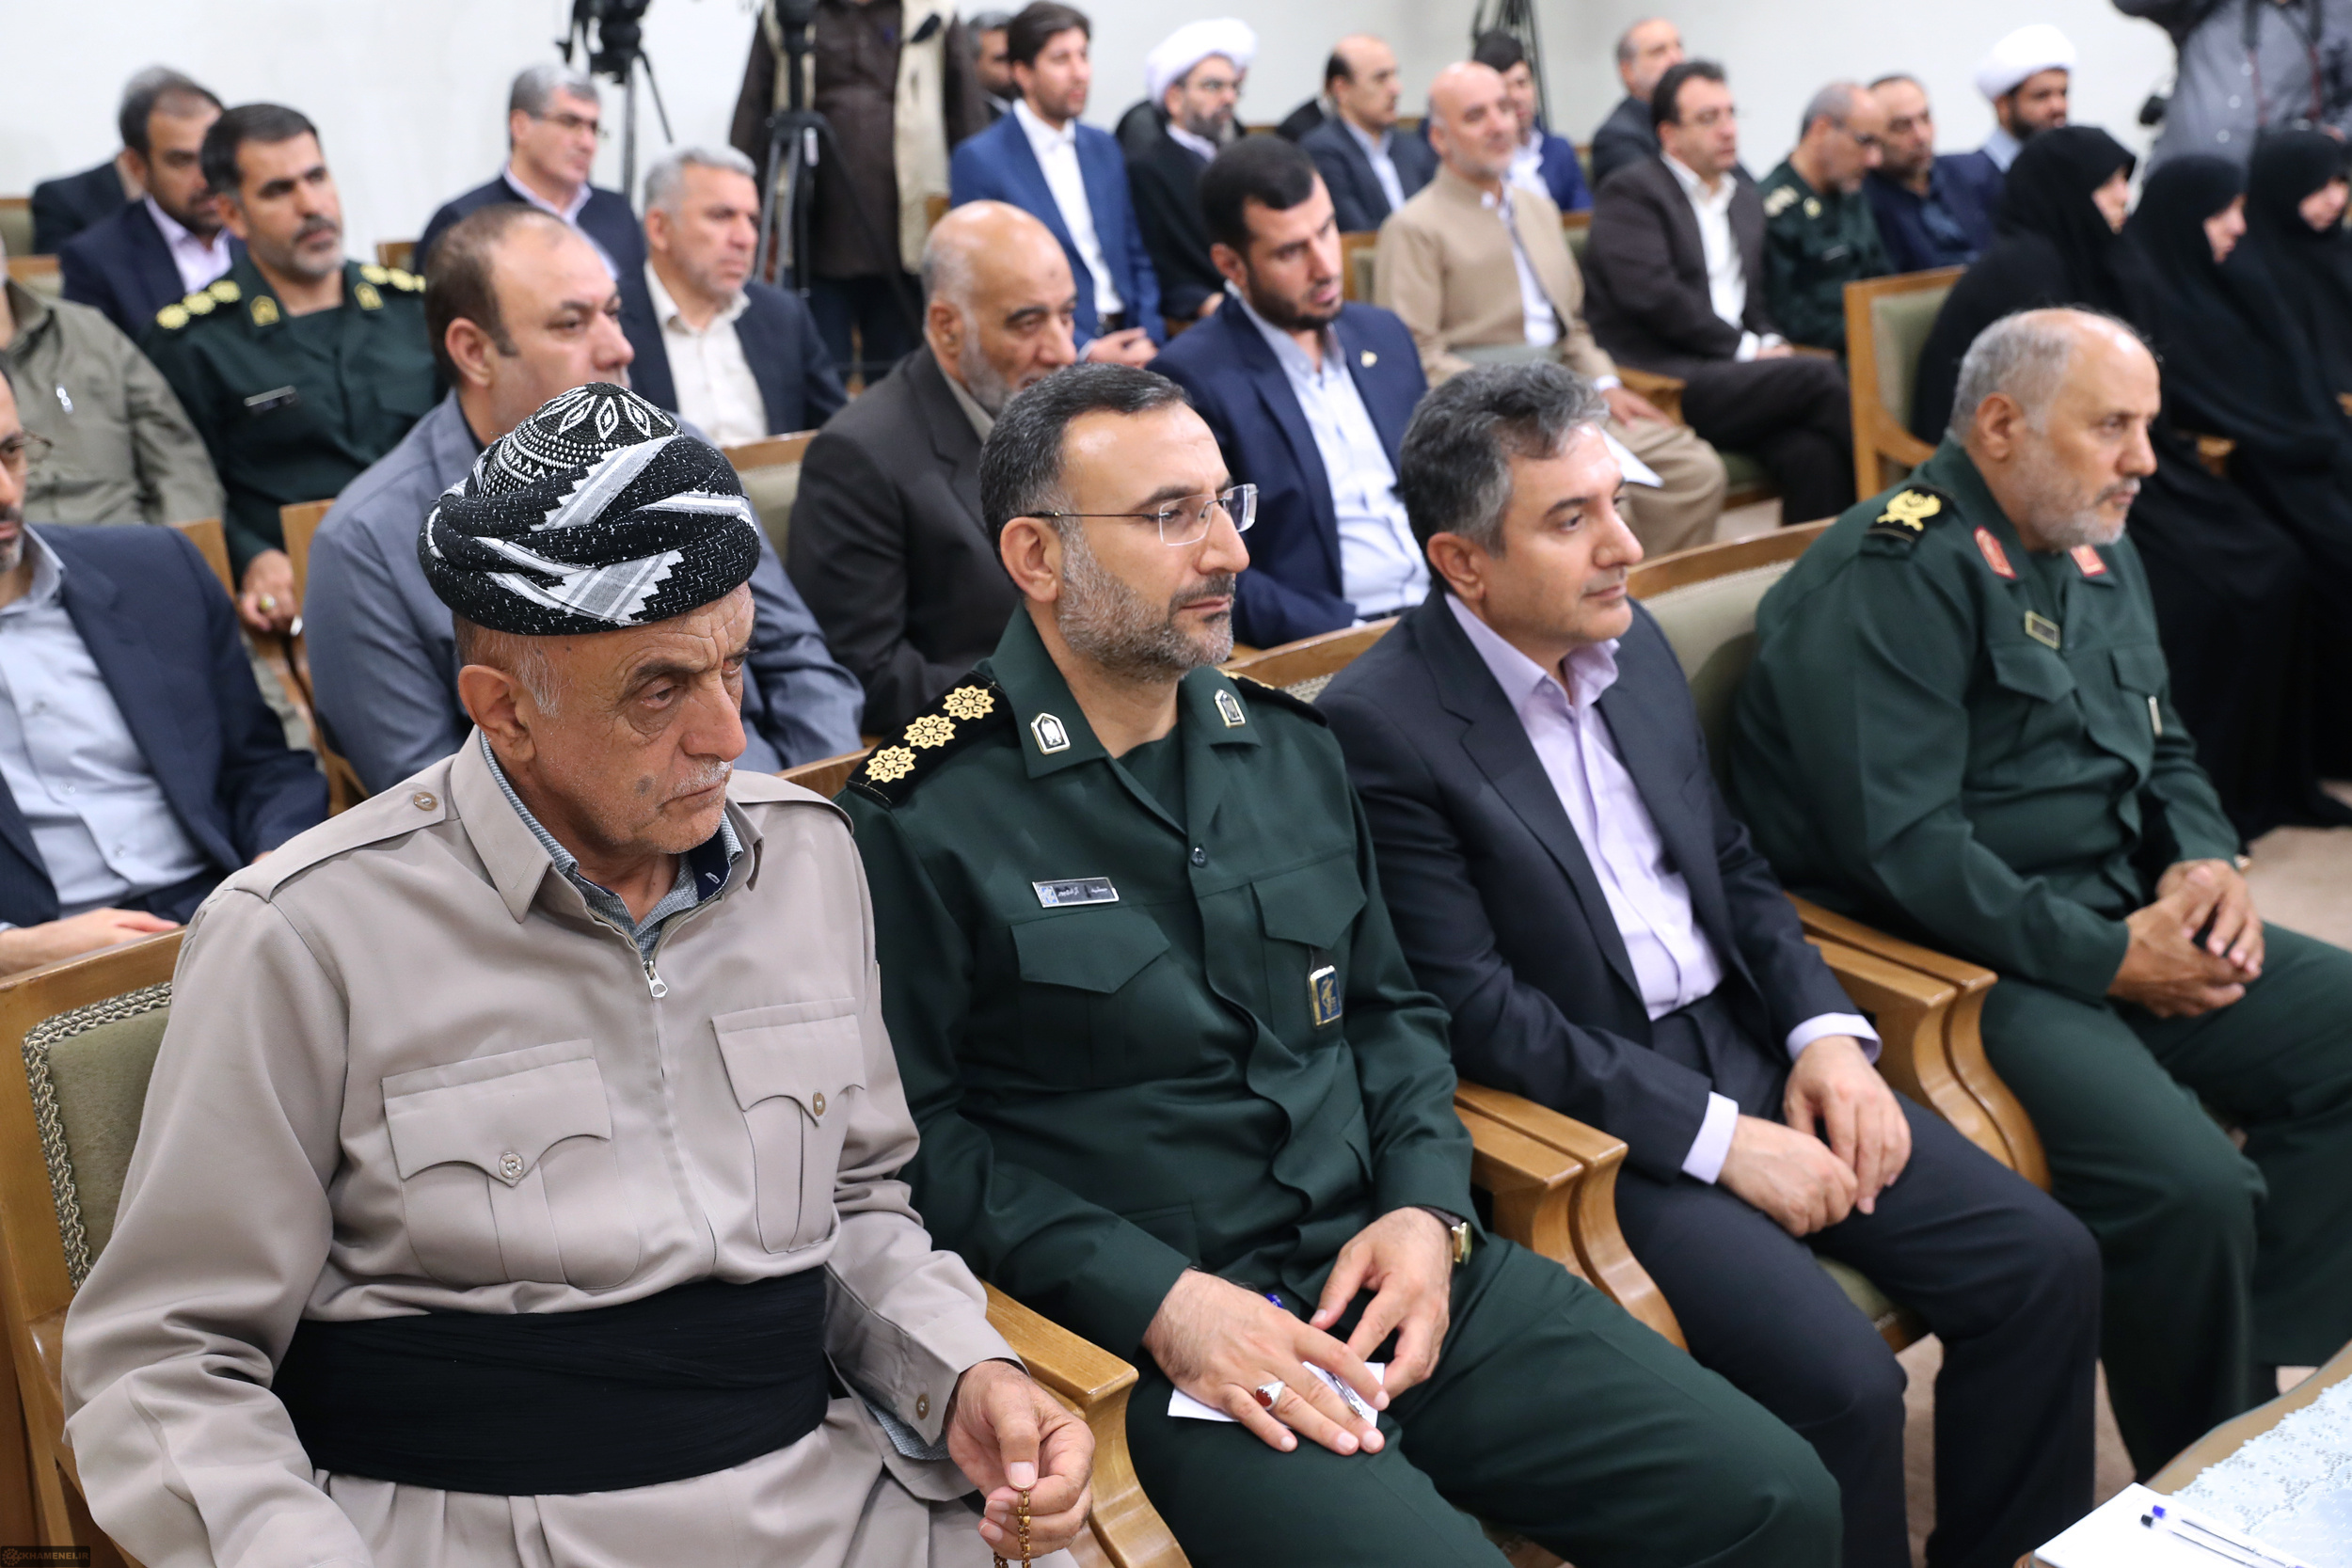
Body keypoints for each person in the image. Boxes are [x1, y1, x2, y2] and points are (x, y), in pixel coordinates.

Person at [63, 379, 1095, 1568]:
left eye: (734, 665)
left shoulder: (809, 857)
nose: (726, 734)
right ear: (504, 710)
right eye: (660, 688)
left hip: (838, 1496)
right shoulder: (303, 935)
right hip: (485, 1526)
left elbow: (857, 1206)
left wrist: (960, 1371)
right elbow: (165, 1358)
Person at [843, 359, 1844, 1567]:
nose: (1228, 551)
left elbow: (1392, 1014)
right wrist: (1159, 1299)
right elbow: (921, 1144)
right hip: (1176, 1338)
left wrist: (1426, 1208)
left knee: (1778, 1498)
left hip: (1389, 1263)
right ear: (1036, 556)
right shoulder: (924, 811)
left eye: (1226, 504)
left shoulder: (1288, 748)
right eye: (1170, 515)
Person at [1321, 361, 2100, 1568]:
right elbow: (1477, 1009)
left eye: (1616, 503)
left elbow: (1729, 864)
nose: (1624, 546)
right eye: (1571, 519)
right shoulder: (1383, 723)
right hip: (1599, 1120)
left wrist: (1824, 1034)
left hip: (1747, 1040)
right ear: (1462, 561)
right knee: (1844, 1387)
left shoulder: (1625, 643)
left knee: (2044, 1264)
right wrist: (1722, 1139)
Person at [1731, 307, 2352, 1478]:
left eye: (2147, 427)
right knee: (2189, 1186)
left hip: (2117, 910)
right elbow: (1907, 851)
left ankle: (2244, 1358)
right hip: (1966, 963)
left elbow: (2166, 745)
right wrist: (2112, 958)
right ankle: (2207, 1477)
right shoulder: (1892, 571)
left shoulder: (2092, 541)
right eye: (2112, 426)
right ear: (2001, 425)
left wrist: (2204, 860)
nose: (2144, 459)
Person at [303, 206, 862, 795]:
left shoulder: (677, 454)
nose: (619, 348)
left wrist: (807, 801)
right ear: (474, 352)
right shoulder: (365, 544)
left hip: (761, 789)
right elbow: (430, 798)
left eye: (614, 313)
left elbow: (800, 658)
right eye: (571, 324)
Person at [0, 361, 323, 976]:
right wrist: (15, 952)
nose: (7, 492)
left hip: (223, 915)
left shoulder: (154, 571)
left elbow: (264, 766)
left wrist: (272, 865)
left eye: (10, 451)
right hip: (33, 973)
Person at [1379, 64, 1726, 557]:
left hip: (1567, 393)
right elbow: (1416, 354)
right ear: (1439, 138)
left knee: (1695, 470)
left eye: (1505, 108)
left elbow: (1574, 328)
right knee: (1604, 496)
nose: (1499, 125)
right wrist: (1516, 403)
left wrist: (1606, 383)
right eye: (1476, 116)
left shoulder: (1537, 208)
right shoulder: (1413, 226)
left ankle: (1649, 592)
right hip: (1487, 414)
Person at [143, 103, 437, 639]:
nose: (311, 206)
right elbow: (185, 485)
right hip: (303, 596)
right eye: (278, 191)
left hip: (441, 571)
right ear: (232, 214)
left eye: (316, 177)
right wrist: (251, 557)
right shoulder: (194, 342)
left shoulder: (413, 310)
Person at [787, 201, 1070, 732]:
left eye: (1068, 315)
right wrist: (1044, 693)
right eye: (1028, 323)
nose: (1063, 349)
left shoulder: (1069, 422)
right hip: (983, 745)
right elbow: (868, 678)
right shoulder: (857, 456)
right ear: (947, 327)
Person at [2124, 152, 2352, 797]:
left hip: (2299, 448)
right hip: (2241, 464)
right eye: (2223, 212)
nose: (2238, 227)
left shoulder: (2233, 275)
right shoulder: (2155, 289)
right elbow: (2198, 400)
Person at [1152, 137, 1430, 644]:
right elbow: (1206, 561)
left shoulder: (1384, 335)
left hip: (1447, 608)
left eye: (1326, 230)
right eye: (1290, 251)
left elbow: (1444, 489)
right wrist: (1350, 635)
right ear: (1231, 265)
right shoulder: (1192, 380)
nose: (1325, 266)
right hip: (1334, 638)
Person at [1583, 61, 1855, 523]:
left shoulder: (1744, 198)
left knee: (1813, 455)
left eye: (1730, 114)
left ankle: (1818, 567)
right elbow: (1654, 298)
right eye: (1708, 119)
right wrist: (1748, 350)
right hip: (1671, 377)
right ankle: (1912, 498)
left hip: (1736, 379)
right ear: (1669, 135)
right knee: (1821, 377)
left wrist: (1769, 341)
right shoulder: (1631, 193)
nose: (1728, 130)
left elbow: (1752, 302)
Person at [726, 0, 987, 387]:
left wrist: (976, 224)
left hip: (907, 238)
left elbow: (967, 121)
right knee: (819, 374)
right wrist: (748, 217)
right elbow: (753, 112)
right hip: (814, 236)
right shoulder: (787, 11)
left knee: (902, 377)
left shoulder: (932, 13)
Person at [950, 2, 1161, 364]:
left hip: (1132, 339)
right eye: (1061, 59)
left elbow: (1135, 253)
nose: (1080, 73)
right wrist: (1085, 349)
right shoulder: (982, 159)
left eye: (1083, 55)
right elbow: (992, 282)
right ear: (1023, 73)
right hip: (1053, 352)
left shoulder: (1103, 145)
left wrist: (1149, 335)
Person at [1910, 126, 2137, 443]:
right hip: (1984, 444)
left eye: (2124, 181)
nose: (2124, 197)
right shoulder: (2022, 273)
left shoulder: (2078, 255)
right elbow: (2036, 395)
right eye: (2106, 184)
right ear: (2065, 191)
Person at [617, 146, 845, 445]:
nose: (746, 238)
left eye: (752, 221)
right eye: (721, 216)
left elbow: (839, 435)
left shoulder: (782, 315)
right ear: (659, 228)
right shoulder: (609, 321)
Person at [2, 235, 222, 526]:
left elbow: (179, 462)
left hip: (130, 539)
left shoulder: (90, 332)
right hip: (19, 545)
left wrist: (180, 543)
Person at [417, 65, 646, 280]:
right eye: (570, 123)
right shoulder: (464, 220)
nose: (587, 143)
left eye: (593, 128)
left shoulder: (616, 212)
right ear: (520, 127)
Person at [56, 70, 239, 342]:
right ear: (137, 167)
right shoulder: (96, 260)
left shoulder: (266, 230)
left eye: (214, 154)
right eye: (182, 161)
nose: (206, 179)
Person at [1127, 20, 1256, 323]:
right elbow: (1157, 262)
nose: (1229, 98)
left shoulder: (1243, 156)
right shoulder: (1149, 168)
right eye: (1213, 86)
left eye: (1234, 87)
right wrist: (1201, 301)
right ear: (1174, 98)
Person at [2122, 0, 2352, 166]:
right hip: (2176, 181)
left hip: (2261, 197)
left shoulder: (2340, 11)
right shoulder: (2213, 6)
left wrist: (2332, 139)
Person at [1760, 82, 1892, 356]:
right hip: (1824, 359)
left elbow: (1882, 280)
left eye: (1879, 145)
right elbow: (1789, 319)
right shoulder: (1775, 209)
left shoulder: (1851, 194)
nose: (1875, 160)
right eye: (1865, 142)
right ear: (1821, 130)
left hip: (1874, 348)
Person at [2246, 129, 2352, 397]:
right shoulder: (2247, 263)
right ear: (2283, 186)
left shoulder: (2343, 250)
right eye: (2320, 186)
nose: (2337, 200)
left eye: (2341, 182)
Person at [1298, 36, 1436, 234]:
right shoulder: (1321, 151)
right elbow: (1356, 232)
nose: (1396, 89)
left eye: (1394, 75)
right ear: (1342, 89)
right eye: (1381, 78)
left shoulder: (1413, 147)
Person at [1865, 74, 1996, 274]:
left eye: (1925, 118)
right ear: (1873, 135)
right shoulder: (1862, 202)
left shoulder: (1974, 174)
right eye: (1902, 126)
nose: (1921, 136)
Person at [1945, 24, 2073, 198]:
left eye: (2063, 93)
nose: (2059, 106)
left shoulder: (2069, 176)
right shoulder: (1964, 183)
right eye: (2042, 96)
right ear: (2003, 105)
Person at [1471, 30, 1591, 214]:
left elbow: (1583, 218)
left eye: (1522, 83)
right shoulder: (1476, 160)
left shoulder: (1559, 150)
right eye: (1504, 88)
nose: (1517, 97)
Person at [1590, 18, 1685, 189]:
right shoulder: (1616, 138)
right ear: (1628, 71)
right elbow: (1659, 195)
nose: (1675, 59)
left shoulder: (1691, 119)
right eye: (1658, 51)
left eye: (1678, 47)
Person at [972, 10, 1017, 122]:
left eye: (1015, 57)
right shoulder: (965, 116)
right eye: (1000, 59)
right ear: (973, 62)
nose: (1012, 66)